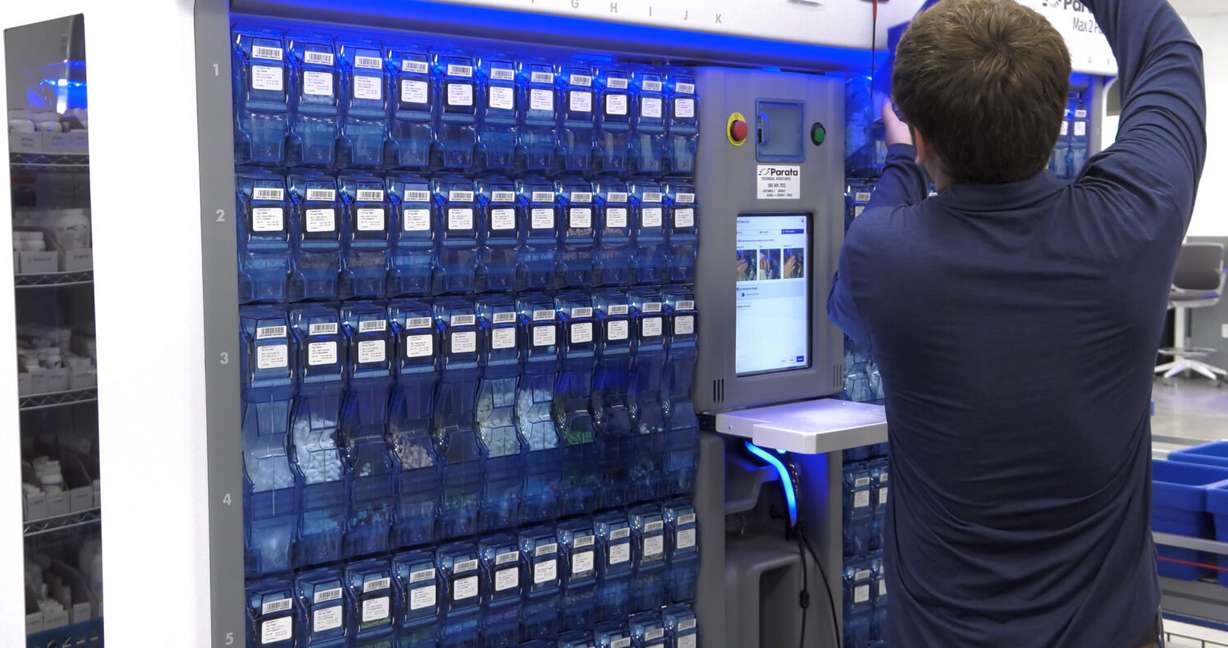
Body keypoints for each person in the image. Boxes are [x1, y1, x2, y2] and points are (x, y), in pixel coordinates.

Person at [827, 0, 1206, 645]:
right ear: (1058, 122)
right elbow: (1173, 55)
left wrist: (898, 164)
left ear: (921, 138)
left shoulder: (885, 260)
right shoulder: (1129, 226)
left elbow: (857, 273)